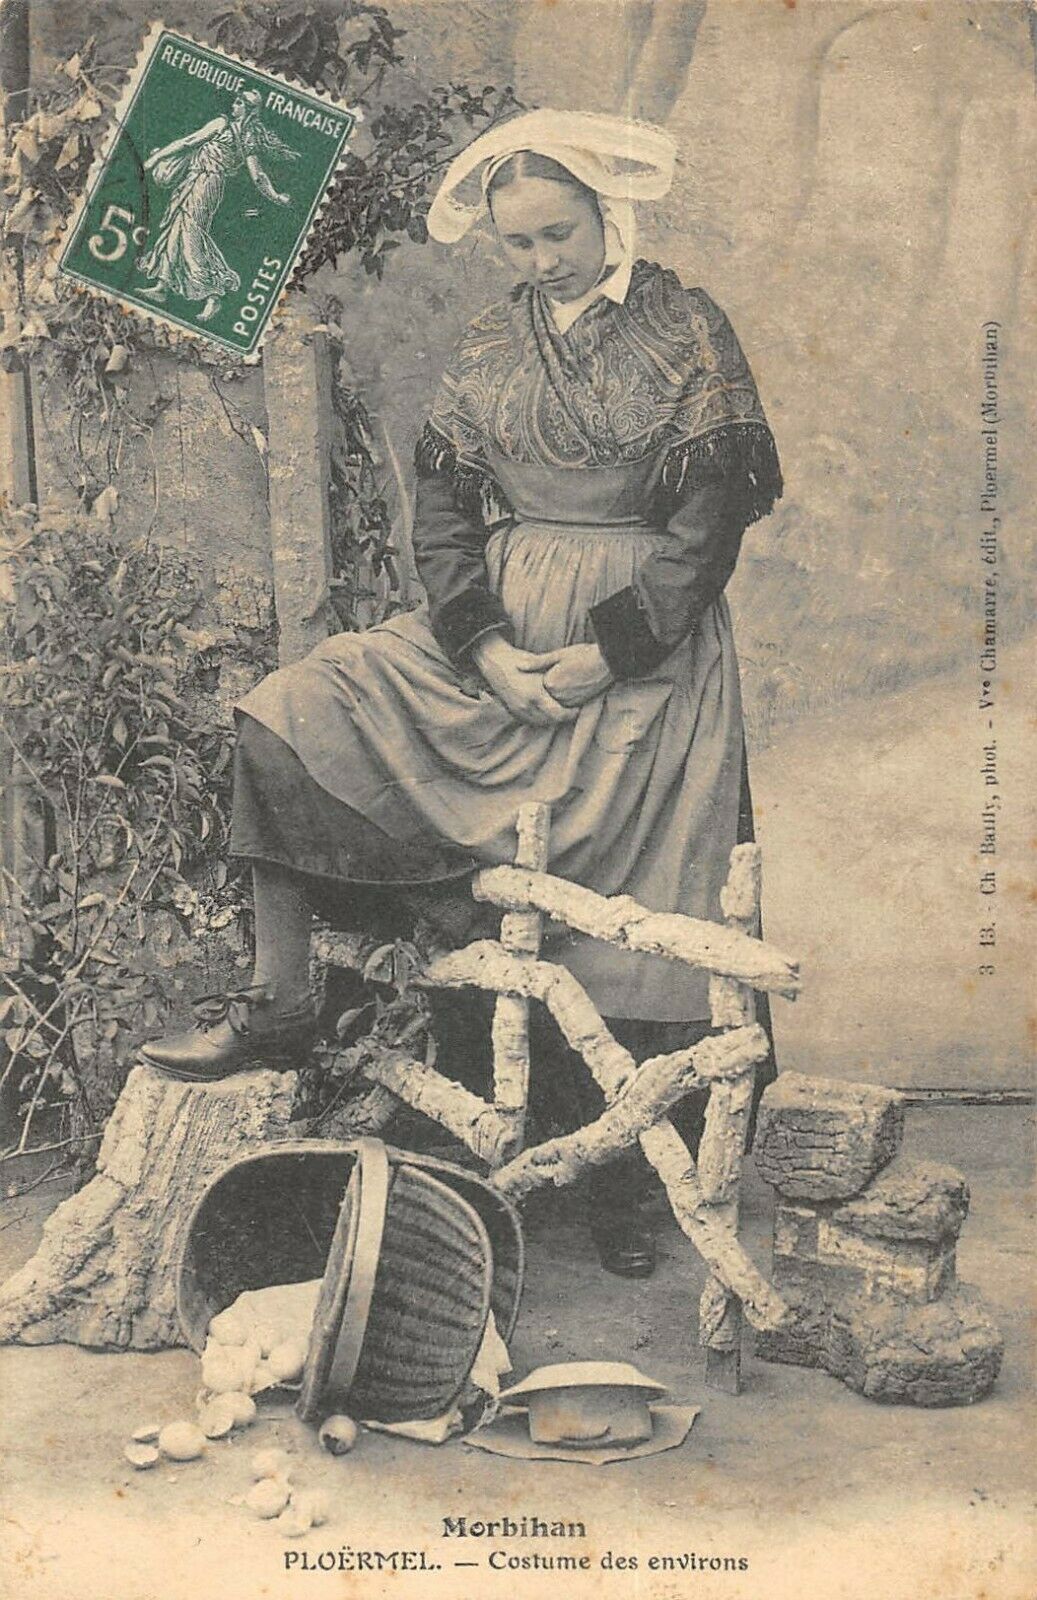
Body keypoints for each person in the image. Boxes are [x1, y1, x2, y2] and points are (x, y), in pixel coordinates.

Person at [142, 109, 783, 1278]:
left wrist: (606, 653)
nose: (543, 260)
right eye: (519, 242)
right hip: (503, 630)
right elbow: (440, 516)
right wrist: (481, 646)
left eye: (559, 234)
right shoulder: (492, 339)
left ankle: (627, 1175)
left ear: (606, 212)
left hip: (641, 649)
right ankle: (279, 999)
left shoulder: (687, 328)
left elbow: (709, 525)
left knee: (634, 895)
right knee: (292, 709)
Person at [137, 87, 295, 323]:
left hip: (207, 183)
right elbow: (257, 175)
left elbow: (188, 142)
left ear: (248, 110)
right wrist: (277, 196)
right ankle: (162, 285)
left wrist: (155, 159)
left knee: (190, 234)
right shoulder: (245, 137)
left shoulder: (227, 127)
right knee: (176, 228)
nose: (234, 105)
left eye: (239, 103)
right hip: (197, 179)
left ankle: (212, 295)